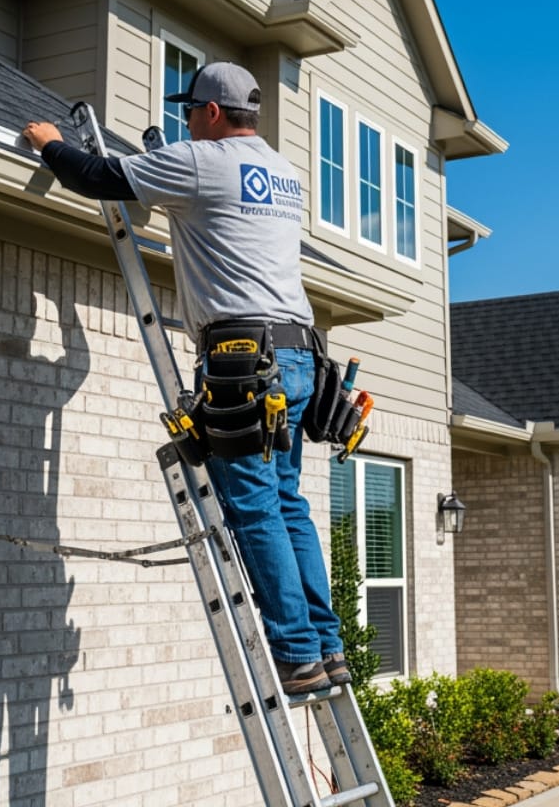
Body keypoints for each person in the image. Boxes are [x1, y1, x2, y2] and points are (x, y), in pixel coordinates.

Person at [21, 61, 345, 696]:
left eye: (191, 111)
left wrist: (49, 143)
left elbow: (97, 177)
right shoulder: (283, 172)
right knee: (287, 504)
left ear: (213, 112)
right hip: (300, 354)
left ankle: (297, 653)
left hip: (243, 359)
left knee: (254, 507)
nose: (187, 122)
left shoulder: (202, 162)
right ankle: (327, 647)